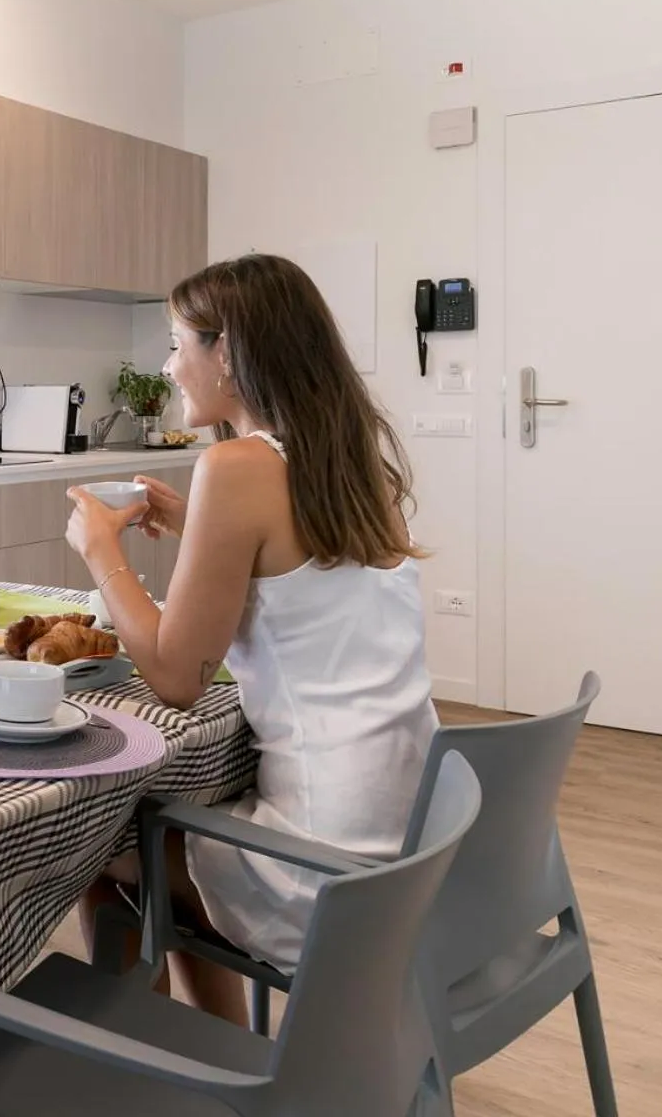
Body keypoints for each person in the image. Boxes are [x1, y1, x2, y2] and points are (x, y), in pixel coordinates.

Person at [64, 253, 438, 1022]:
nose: (169, 368)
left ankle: (146, 1066)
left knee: (101, 845)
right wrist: (195, 530)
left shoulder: (235, 467)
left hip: (324, 870)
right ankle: (219, 1047)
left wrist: (103, 553)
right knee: (179, 839)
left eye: (177, 344)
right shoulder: (349, 458)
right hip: (410, 848)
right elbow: (301, 585)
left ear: (227, 352)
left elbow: (175, 675)